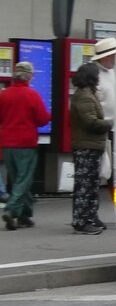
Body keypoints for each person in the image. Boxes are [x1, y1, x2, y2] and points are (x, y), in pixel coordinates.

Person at [0, 61, 51, 230]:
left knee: (17, 179)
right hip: (26, 143)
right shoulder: (32, 95)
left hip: (7, 143)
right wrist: (50, 115)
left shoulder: (4, 94)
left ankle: (25, 215)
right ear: (29, 76)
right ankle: (12, 210)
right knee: (24, 180)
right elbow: (42, 119)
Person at [69, 62, 111, 235]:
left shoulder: (87, 94)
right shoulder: (84, 97)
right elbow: (91, 122)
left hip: (91, 145)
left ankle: (91, 217)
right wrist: (109, 123)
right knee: (85, 186)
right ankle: (81, 221)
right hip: (86, 146)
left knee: (92, 184)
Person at [91, 37, 116, 185]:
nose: (114, 58)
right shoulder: (95, 75)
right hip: (104, 127)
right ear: (105, 57)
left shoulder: (113, 72)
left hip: (115, 127)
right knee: (107, 167)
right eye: (112, 56)